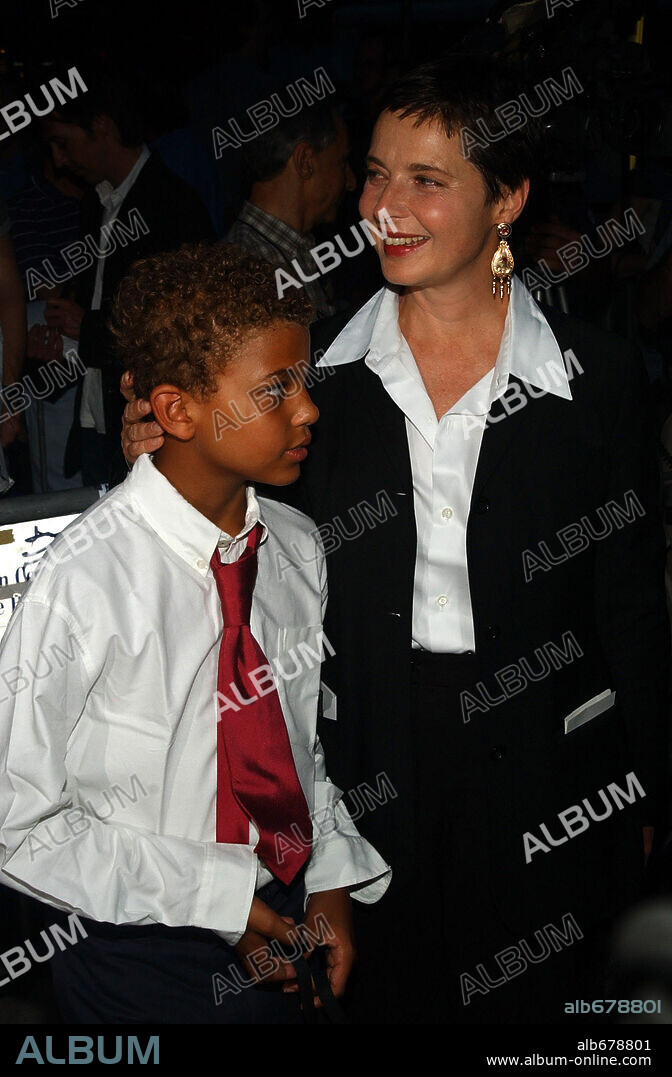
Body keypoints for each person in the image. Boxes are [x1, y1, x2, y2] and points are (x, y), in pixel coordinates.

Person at [121, 55, 669, 1024]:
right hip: (369, 757)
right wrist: (171, 466)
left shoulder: (600, 376)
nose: (386, 206)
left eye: (427, 180)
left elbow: (631, 602)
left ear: (508, 200)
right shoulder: (307, 374)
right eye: (375, 173)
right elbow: (223, 568)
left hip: (555, 769)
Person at [0, 243, 390, 1024]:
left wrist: (334, 875)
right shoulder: (88, 581)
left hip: (284, 907)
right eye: (275, 390)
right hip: (139, 946)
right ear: (177, 411)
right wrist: (218, 898)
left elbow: (294, 747)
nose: (307, 408)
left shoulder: (296, 546)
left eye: (304, 382)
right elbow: (19, 825)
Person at [39, 65, 214, 487]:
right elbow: (93, 309)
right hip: (98, 414)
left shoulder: (173, 206)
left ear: (102, 127)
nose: (59, 161)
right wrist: (60, 340)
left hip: (152, 427)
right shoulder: (95, 203)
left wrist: (86, 327)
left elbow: (183, 327)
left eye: (64, 143)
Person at [227, 103, 356, 320]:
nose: (351, 182)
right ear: (305, 161)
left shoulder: (290, 250)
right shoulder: (250, 273)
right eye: (342, 163)